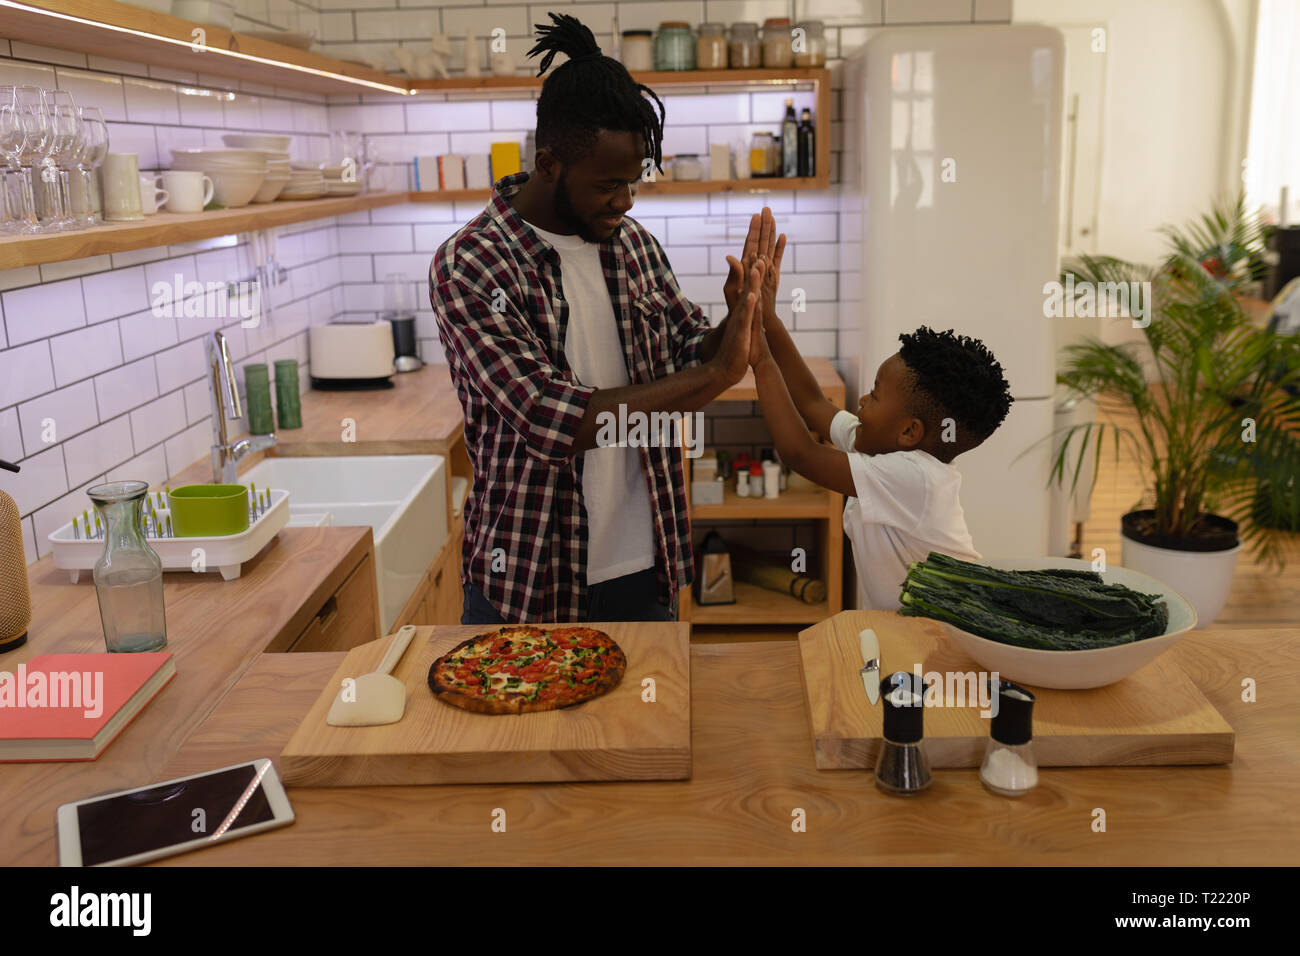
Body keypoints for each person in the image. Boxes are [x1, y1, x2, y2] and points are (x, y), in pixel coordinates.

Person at [430, 13, 767, 625]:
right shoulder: (473, 263)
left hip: (642, 564)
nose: (626, 201)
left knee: (650, 720)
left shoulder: (630, 242)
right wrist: (718, 373)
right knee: (517, 721)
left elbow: (687, 345)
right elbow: (546, 415)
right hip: (529, 573)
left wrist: (740, 318)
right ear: (550, 163)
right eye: (609, 185)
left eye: (635, 181)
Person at [741, 208, 1014, 610]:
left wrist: (760, 359)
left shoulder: (915, 478)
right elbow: (814, 404)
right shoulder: (878, 447)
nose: (862, 401)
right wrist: (768, 319)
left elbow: (799, 452)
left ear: (909, 432)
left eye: (874, 395)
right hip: (909, 630)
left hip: (950, 632)